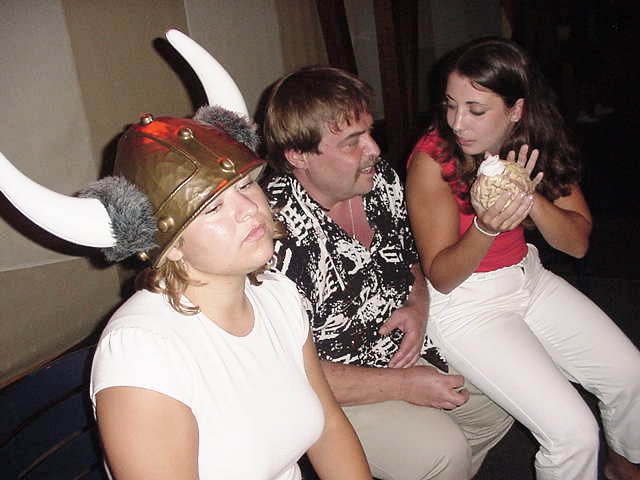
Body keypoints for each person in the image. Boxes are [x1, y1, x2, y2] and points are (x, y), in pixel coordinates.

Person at [0, 32, 371, 480]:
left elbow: (328, 425)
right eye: (212, 207)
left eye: (246, 185)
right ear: (170, 244)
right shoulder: (144, 353)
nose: (249, 208)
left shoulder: (277, 295)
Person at [260, 65, 514, 480]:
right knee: (443, 453)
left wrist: (417, 304)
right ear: (298, 156)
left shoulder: (380, 182)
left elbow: (410, 260)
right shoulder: (269, 236)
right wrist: (403, 386)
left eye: (369, 131)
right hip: (332, 388)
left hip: (403, 349)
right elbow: (283, 368)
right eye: (352, 142)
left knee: (502, 402)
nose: (374, 149)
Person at [405, 37, 640, 480]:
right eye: (451, 105)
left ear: (516, 110)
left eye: (476, 110)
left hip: (526, 277)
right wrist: (486, 227)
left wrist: (529, 197)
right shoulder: (433, 160)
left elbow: (577, 243)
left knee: (631, 376)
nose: (457, 123)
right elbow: (443, 277)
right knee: (573, 435)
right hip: (466, 304)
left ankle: (623, 467)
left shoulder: (534, 143)